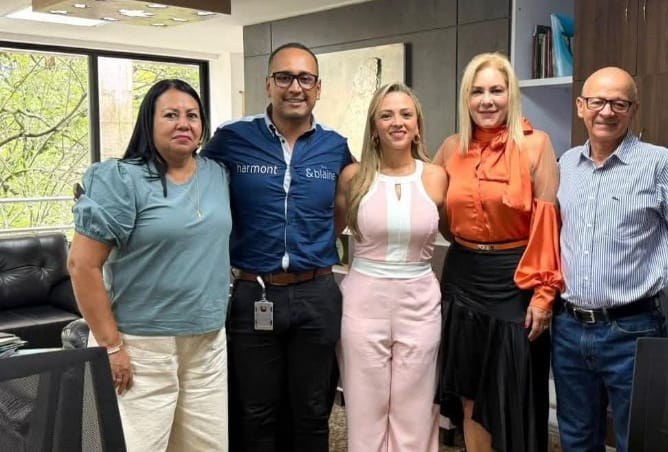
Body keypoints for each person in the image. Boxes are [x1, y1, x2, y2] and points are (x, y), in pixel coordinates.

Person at [553, 66, 668, 452]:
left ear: (634, 110)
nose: (606, 112)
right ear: (580, 107)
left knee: (639, 439)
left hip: (633, 331)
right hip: (569, 329)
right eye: (597, 102)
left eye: (619, 103)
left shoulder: (659, 164)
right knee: (576, 438)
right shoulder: (565, 166)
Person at [200, 42, 353, 452]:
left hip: (317, 293)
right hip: (253, 293)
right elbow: (190, 180)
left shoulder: (335, 146)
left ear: (318, 87)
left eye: (305, 78)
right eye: (284, 77)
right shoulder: (232, 138)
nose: (295, 87)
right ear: (268, 84)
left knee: (313, 410)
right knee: (255, 412)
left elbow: (342, 210)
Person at [67, 79, 232, 452]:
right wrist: (111, 347)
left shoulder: (216, 174)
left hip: (206, 343)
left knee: (206, 446)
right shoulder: (122, 179)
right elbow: (81, 265)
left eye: (192, 115)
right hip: (140, 346)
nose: (183, 123)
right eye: (170, 115)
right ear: (149, 122)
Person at [434, 52, 562, 452]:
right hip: (463, 276)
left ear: (511, 95)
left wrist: (544, 296)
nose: (487, 100)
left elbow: (546, 227)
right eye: (477, 92)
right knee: (470, 392)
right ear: (466, 99)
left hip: (516, 279)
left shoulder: (537, 145)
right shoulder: (451, 148)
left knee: (513, 390)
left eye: (496, 90)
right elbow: (439, 216)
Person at [335, 82, 447, 452]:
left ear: (417, 125)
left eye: (405, 114)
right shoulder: (353, 177)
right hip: (363, 302)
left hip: (420, 303)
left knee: (415, 408)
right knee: (365, 407)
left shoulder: (435, 176)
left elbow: (455, 230)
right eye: (386, 115)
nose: (396, 122)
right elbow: (329, 232)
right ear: (374, 127)